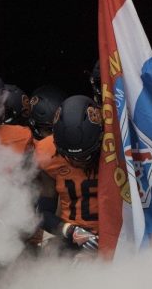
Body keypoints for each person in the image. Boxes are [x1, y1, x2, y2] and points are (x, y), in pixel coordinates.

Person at [35, 95, 102, 256]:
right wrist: (72, 232)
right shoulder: (47, 154)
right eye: (69, 156)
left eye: (85, 155)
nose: (77, 161)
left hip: (116, 238)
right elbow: (43, 213)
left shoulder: (118, 151)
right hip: (71, 238)